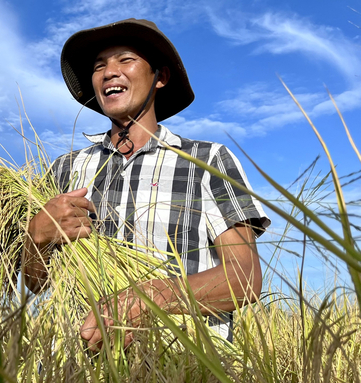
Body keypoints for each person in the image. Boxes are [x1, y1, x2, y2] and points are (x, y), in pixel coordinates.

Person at [22, 18, 270, 349]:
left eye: (125, 60)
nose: (109, 72)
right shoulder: (66, 170)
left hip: (185, 361)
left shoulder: (207, 162)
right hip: (78, 363)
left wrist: (152, 297)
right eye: (99, 66)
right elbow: (38, 284)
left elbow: (244, 278)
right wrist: (36, 238)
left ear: (160, 77)